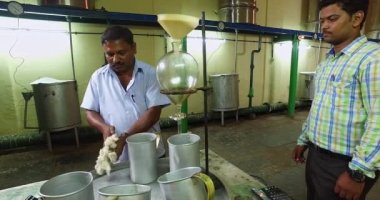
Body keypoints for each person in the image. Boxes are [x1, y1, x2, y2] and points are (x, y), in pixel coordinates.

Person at [292, 0, 380, 199]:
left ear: (357, 18)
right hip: (317, 155)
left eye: (332, 19)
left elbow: (379, 122)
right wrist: (304, 139)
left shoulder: (372, 60)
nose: (324, 26)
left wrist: (357, 173)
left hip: (345, 163)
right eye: (322, 20)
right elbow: (319, 106)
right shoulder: (328, 61)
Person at [81, 25, 171, 162]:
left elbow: (154, 112)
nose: (115, 59)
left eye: (121, 53)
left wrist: (125, 137)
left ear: (134, 48)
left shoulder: (150, 74)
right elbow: (90, 112)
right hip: (116, 154)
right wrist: (103, 127)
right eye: (109, 55)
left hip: (150, 151)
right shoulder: (98, 77)